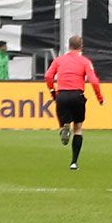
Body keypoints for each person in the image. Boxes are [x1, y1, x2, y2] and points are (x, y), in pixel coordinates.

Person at [43, 36, 105, 170]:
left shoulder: (58, 60)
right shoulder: (85, 62)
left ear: (69, 46)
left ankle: (64, 127)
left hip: (62, 95)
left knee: (65, 122)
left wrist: (53, 92)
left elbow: (48, 76)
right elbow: (94, 81)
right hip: (77, 95)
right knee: (78, 128)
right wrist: (100, 98)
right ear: (81, 46)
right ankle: (74, 162)